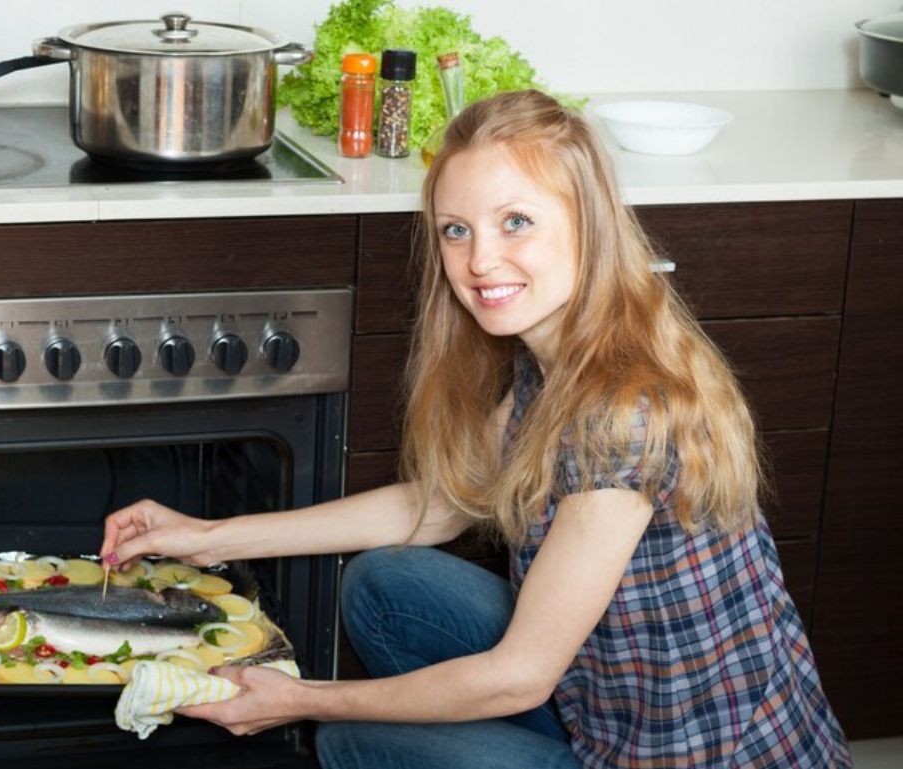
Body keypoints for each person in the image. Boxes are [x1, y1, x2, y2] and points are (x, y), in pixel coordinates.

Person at [99, 89, 850, 768]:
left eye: (515, 222)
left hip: (691, 758)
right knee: (385, 583)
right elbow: (437, 505)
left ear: (587, 224)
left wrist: (300, 698)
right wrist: (204, 536)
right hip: (608, 704)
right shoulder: (555, 355)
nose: (480, 260)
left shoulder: (622, 413)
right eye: (455, 230)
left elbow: (521, 673)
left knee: (351, 740)